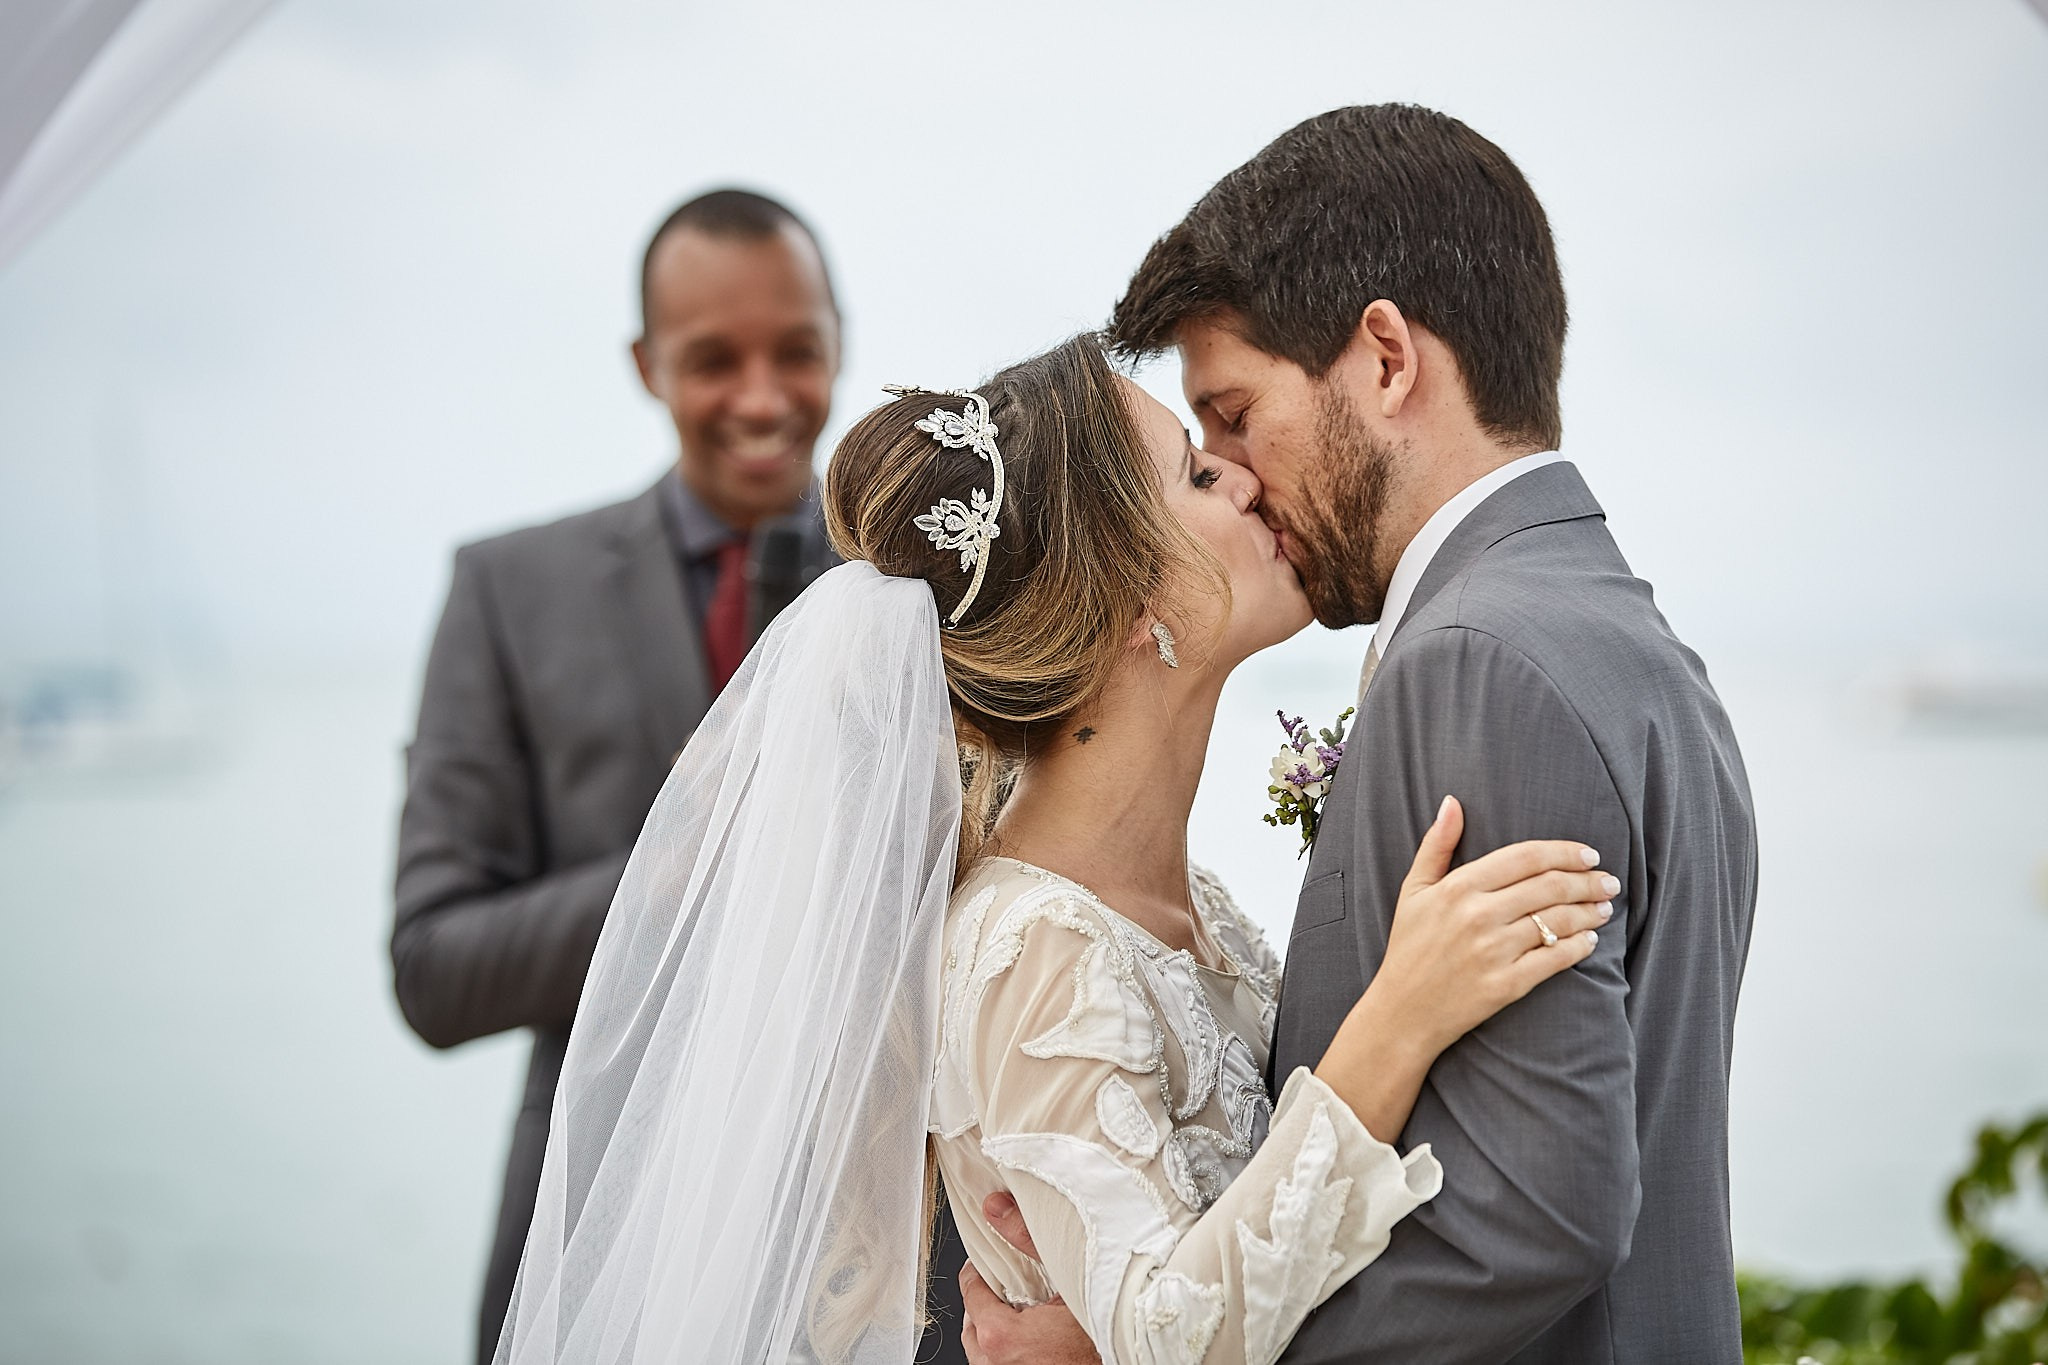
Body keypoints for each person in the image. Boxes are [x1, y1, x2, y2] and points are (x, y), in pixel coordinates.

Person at [487, 334, 1617, 1365]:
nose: (1241, 474)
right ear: (1132, 599)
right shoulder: (1034, 946)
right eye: (1192, 472)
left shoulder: (1191, 910)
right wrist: (1398, 1020)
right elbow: (1171, 1329)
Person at [962, 105, 1759, 1364]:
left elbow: (1527, 1219)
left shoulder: (1477, 663)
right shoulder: (1621, 635)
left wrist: (1128, 1355)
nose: (1234, 475)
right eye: (1197, 455)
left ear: (1384, 358)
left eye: (1230, 414)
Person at [389, 188, 846, 1365]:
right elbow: (433, 970)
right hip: (585, 1258)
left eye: (795, 352)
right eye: (712, 360)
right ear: (646, 366)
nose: (761, 397)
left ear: (837, 342)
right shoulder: (509, 592)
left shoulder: (917, 588)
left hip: (855, 1257)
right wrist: (682, 863)